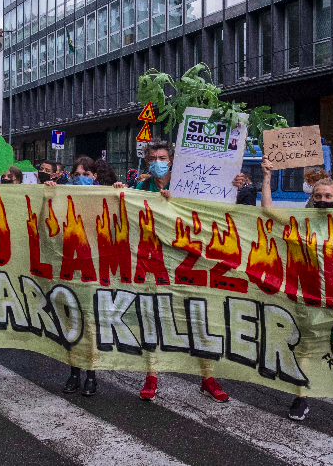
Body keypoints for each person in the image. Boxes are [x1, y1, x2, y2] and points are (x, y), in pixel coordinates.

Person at [113, 140, 231, 403]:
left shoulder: (188, 185)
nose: (157, 161)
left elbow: (211, 211)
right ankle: (152, 375)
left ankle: (207, 377)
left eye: (162, 156)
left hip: (184, 263)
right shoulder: (141, 188)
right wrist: (120, 191)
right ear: (146, 162)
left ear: (172, 160)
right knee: (152, 319)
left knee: (197, 320)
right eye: (153, 157)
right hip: (153, 264)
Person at [260, 157, 333, 425]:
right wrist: (267, 176)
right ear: (312, 198)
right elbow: (269, 212)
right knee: (305, 348)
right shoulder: (302, 222)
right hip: (310, 294)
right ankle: (301, 397)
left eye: (328, 195)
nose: (323, 199)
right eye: (318, 195)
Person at [45, 156, 100, 395]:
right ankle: (74, 373)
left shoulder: (104, 195)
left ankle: (91, 375)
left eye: (86, 174)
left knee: (90, 324)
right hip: (68, 266)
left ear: (95, 177)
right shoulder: (63, 193)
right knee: (71, 323)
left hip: (93, 268)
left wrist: (120, 190)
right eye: (78, 174)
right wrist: (48, 194)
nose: (82, 178)